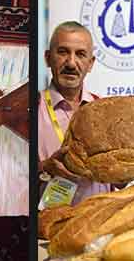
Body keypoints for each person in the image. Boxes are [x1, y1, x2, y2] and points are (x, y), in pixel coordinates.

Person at [38, 21, 119, 207]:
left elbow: (117, 181)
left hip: (98, 224)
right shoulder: (30, 108)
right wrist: (44, 168)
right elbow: (11, 174)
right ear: (48, 58)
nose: (71, 63)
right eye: (63, 52)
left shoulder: (105, 110)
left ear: (90, 64)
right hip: (50, 227)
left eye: (80, 54)